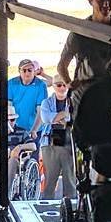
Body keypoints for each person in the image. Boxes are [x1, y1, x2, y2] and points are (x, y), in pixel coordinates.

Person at [39, 76, 76, 205]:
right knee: (50, 177)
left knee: (69, 176)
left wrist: (59, 117)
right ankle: (46, 204)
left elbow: (73, 118)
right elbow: (47, 118)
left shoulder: (73, 102)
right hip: (50, 141)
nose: (62, 88)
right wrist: (65, 115)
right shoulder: (46, 103)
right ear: (53, 86)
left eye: (64, 85)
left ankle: (71, 204)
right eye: (58, 85)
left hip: (69, 140)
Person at [7, 58, 48, 143]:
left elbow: (40, 111)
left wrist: (34, 130)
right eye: (24, 70)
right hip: (15, 129)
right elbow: (8, 106)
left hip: (34, 129)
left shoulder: (41, 85)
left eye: (30, 70)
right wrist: (9, 127)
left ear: (34, 71)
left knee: (33, 155)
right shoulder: (11, 83)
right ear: (19, 71)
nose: (27, 73)